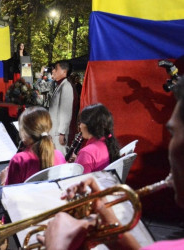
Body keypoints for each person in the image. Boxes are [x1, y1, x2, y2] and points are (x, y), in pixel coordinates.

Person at [38, 78, 184, 250]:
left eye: (173, 133)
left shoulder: (87, 152)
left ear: (87, 125)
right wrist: (113, 231)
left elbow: (74, 181)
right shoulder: (107, 143)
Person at [0, 106, 66, 185]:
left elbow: (9, 195)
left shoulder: (19, 160)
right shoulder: (59, 155)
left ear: (23, 132)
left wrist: (4, 180)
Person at [72, 103, 120, 173]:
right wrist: (79, 160)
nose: (80, 126)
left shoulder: (87, 153)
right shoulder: (108, 143)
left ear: (89, 125)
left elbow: (79, 182)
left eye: (81, 122)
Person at [48, 60, 77, 155]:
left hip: (58, 133)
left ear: (64, 72)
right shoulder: (59, 86)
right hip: (54, 131)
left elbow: (66, 111)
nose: (53, 71)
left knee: (60, 158)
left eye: (56, 69)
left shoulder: (66, 86)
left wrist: (62, 133)